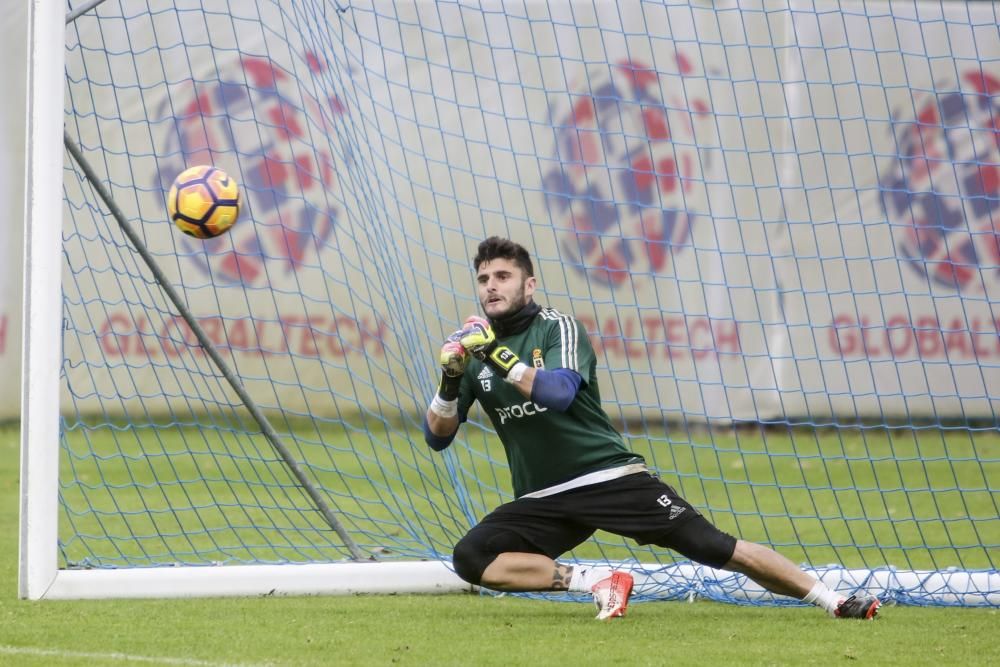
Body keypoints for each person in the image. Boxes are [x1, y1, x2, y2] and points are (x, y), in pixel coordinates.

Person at [424, 236, 881, 621]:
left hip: (606, 478)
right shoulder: (474, 350)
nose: (491, 287)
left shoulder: (555, 328)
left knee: (713, 545)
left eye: (502, 276)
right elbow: (438, 437)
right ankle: (597, 581)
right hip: (543, 497)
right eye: (483, 279)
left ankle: (834, 600)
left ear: (529, 283)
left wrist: (499, 358)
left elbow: (559, 394)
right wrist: (450, 379)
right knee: (472, 557)